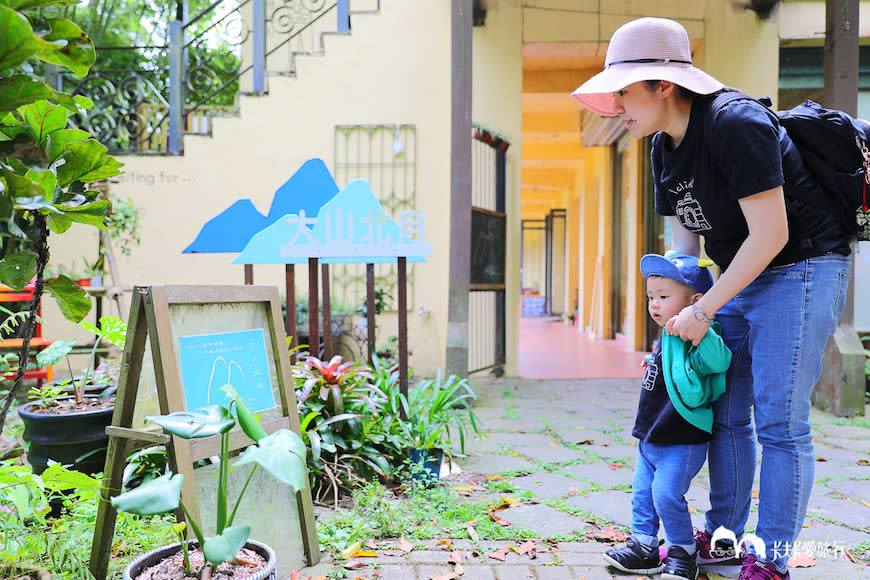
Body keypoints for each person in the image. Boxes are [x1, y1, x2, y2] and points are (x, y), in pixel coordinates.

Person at [571, 17, 853, 580]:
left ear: (664, 85)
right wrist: (675, 308)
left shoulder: (735, 123)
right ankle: (724, 538)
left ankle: (772, 558)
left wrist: (703, 310)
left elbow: (770, 234)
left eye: (625, 91)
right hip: (738, 276)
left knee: (780, 422)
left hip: (801, 269)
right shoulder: (662, 149)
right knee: (726, 415)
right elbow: (685, 248)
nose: (618, 105)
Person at [604, 252, 731, 580]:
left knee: (665, 494)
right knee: (642, 494)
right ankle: (643, 546)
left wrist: (703, 327)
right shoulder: (667, 336)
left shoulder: (697, 335)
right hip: (651, 434)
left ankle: (682, 551)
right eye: (650, 297)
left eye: (663, 297)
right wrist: (653, 359)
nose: (654, 305)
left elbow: (718, 362)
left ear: (695, 301)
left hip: (682, 437)